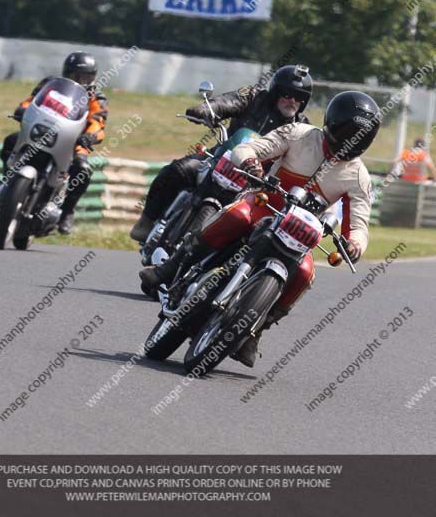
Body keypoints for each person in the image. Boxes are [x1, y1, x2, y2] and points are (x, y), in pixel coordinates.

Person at [140, 90, 380, 368]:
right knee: (238, 216)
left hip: (299, 232)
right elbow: (248, 148)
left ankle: (256, 330)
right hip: (265, 205)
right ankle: (170, 267)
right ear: (334, 123)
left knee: (305, 273)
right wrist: (252, 164)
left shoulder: (359, 177)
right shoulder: (299, 134)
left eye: (361, 135)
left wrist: (355, 244)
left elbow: (359, 223)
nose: (354, 139)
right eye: (350, 131)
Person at [130, 65, 313, 242]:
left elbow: (307, 156)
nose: (292, 101)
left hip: (257, 179)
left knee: (254, 225)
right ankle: (146, 221)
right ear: (275, 92)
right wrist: (206, 109)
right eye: (288, 95)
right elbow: (227, 101)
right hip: (221, 157)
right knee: (178, 170)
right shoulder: (253, 96)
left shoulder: (301, 127)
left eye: (299, 98)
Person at [0, 52, 108, 235]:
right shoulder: (50, 84)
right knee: (11, 140)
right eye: (74, 75)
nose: (79, 80)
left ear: (93, 77)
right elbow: (30, 101)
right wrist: (22, 109)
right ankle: (6, 182)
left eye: (85, 77)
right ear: (65, 72)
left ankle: (67, 212)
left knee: (82, 168)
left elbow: (97, 121)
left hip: (73, 139)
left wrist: (90, 136)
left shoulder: (96, 97)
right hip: (42, 130)